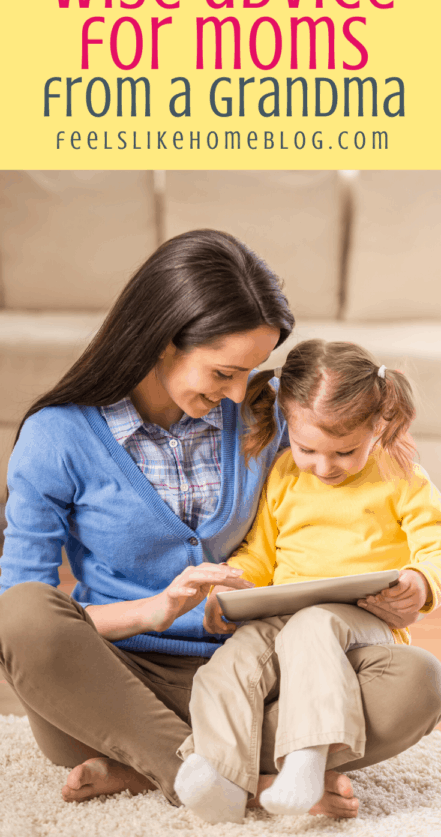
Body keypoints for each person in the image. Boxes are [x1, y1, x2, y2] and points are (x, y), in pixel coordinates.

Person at [0, 237, 439, 821]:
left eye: (253, 371)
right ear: (161, 340)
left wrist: (411, 584)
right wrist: (152, 611)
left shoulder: (273, 411)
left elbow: (366, 462)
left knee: (416, 682)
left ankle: (164, 766)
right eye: (225, 371)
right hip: (121, 682)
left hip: (264, 674)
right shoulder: (58, 437)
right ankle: (236, 777)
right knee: (24, 614)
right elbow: (16, 612)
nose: (240, 392)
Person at [175, 339, 441, 823]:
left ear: (377, 424)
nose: (324, 466)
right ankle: (220, 774)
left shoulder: (400, 474)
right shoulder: (282, 475)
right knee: (229, 662)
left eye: (344, 451)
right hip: (282, 612)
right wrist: (232, 589)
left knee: (313, 625)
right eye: (307, 450)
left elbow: (435, 544)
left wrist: (421, 584)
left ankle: (306, 756)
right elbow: (260, 551)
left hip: (365, 619)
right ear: (287, 426)